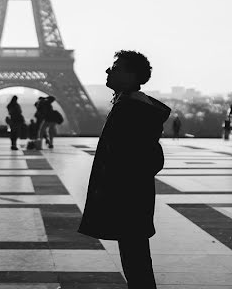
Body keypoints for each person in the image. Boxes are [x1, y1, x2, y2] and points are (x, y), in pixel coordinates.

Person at [79, 50, 170, 289]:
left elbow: (137, 156)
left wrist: (119, 185)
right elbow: (150, 157)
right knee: (135, 258)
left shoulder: (131, 109)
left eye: (116, 67)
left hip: (127, 196)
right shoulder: (131, 106)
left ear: (131, 76)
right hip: (132, 194)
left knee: (135, 261)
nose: (109, 71)